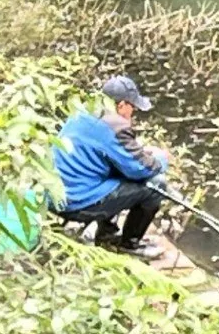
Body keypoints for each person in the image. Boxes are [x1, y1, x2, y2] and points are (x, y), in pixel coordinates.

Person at [53, 74, 171, 257]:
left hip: (56, 197)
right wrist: (162, 159)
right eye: (132, 107)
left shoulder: (82, 112)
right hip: (77, 203)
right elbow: (141, 169)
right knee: (157, 184)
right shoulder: (114, 126)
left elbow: (106, 150)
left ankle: (107, 233)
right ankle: (129, 244)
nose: (133, 113)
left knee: (111, 170)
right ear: (122, 105)